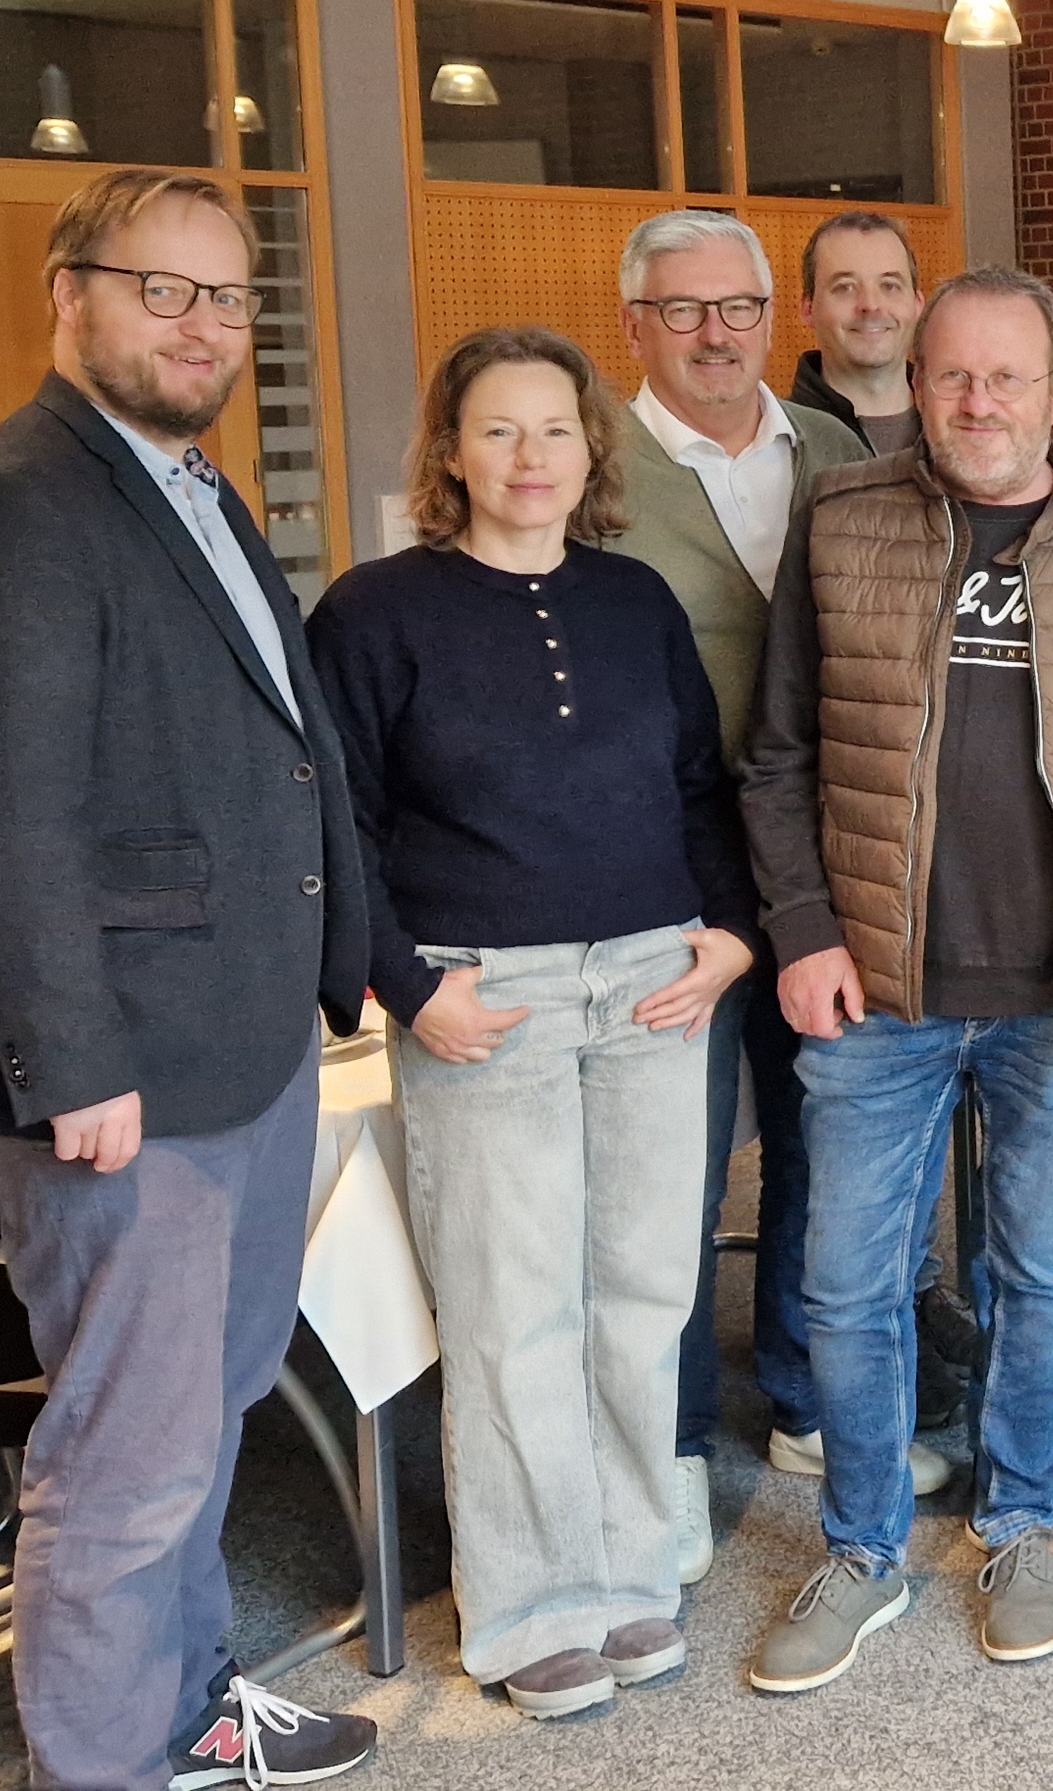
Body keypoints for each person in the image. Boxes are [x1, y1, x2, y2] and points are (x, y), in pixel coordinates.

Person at [0, 166, 381, 1790]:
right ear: (69, 293)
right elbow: (0, 810)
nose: (200, 324)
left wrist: (341, 955)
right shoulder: (16, 502)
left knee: (205, 1415)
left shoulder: (190, 487)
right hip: (123, 1074)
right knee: (125, 1460)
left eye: (227, 297)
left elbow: (284, 758)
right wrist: (70, 1061)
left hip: (230, 1043)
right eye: (159, 288)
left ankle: (191, 1710)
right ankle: (96, 1765)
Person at [739, 270, 1053, 1688]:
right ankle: (862, 1546)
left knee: (1044, 1274)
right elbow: (776, 756)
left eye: (1008, 379)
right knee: (843, 1283)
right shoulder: (840, 522)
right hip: (875, 988)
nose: (978, 403)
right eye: (953, 376)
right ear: (920, 380)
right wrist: (802, 929)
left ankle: (1022, 1518)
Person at [310, 328, 760, 1716]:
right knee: (514, 1312)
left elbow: (699, 786)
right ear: (450, 452)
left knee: (642, 1298)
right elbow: (337, 826)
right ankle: (531, 1607)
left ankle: (630, 1572)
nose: (529, 458)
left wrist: (736, 932)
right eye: (498, 432)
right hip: (479, 996)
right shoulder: (375, 613)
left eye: (554, 432)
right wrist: (403, 982)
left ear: (590, 450)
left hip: (651, 984)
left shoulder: (633, 602)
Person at [598, 213, 934, 1593]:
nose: (717, 334)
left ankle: (800, 1395)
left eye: (738, 307)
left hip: (821, 869)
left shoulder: (837, 450)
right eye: (684, 312)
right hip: (654, 880)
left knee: (821, 1142)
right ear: (636, 325)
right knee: (665, 1176)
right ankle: (667, 1447)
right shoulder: (588, 467)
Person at [788, 211, 924, 455]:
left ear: (917, 304)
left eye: (889, 286)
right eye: (845, 287)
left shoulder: (964, 430)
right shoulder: (780, 444)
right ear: (808, 308)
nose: (871, 305)